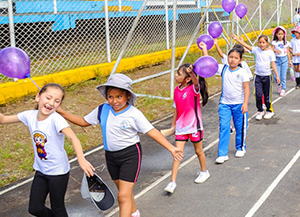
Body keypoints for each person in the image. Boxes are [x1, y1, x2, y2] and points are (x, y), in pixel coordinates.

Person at [57, 74, 183, 217]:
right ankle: (134, 212)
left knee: (122, 196)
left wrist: (171, 148)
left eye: (119, 97)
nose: (114, 101)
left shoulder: (134, 114)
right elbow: (83, 121)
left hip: (130, 155)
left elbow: (152, 131)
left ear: (127, 96)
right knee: (124, 191)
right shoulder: (102, 109)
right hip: (111, 156)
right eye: (111, 97)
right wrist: (61, 112)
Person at [0, 83, 95, 217]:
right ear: (38, 97)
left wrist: (81, 159)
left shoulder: (56, 119)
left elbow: (73, 138)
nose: (51, 103)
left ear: (59, 105)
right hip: (41, 170)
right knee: (35, 208)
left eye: (56, 101)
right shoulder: (29, 116)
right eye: (48, 97)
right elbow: (3, 119)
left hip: (58, 172)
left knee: (58, 209)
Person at [163, 64, 210, 194]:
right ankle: (172, 182)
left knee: (198, 151)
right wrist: (173, 126)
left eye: (179, 74)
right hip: (181, 128)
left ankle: (204, 171)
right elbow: (175, 110)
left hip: (194, 127)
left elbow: (196, 82)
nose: (176, 76)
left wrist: (192, 73)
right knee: (177, 154)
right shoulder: (176, 90)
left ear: (187, 78)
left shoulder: (194, 89)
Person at [204, 43, 252, 161]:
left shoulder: (242, 72)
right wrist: (205, 48)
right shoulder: (223, 68)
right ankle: (222, 154)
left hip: (239, 104)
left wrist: (245, 103)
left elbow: (246, 88)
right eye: (231, 57)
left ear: (240, 60)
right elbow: (209, 64)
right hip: (225, 104)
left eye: (236, 58)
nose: (232, 60)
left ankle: (240, 148)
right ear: (228, 58)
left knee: (239, 127)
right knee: (224, 127)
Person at [232, 34, 279, 120]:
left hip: (267, 76)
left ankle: (269, 110)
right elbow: (247, 46)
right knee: (258, 94)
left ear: (267, 43)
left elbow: (273, 64)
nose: (261, 44)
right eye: (260, 42)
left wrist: (277, 75)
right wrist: (237, 40)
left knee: (267, 95)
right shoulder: (256, 50)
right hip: (258, 76)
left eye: (263, 42)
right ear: (258, 43)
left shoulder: (270, 53)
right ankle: (260, 110)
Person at [271, 26, 291, 96]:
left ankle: (283, 88)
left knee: (283, 76)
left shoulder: (286, 43)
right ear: (276, 34)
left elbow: (288, 52)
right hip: (277, 60)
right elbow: (271, 50)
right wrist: (276, 50)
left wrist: (289, 61)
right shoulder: (274, 42)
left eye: (282, 34)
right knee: (276, 76)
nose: (280, 36)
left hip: (284, 60)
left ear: (284, 35)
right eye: (279, 34)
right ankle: (279, 85)